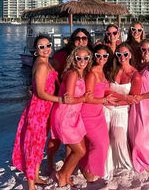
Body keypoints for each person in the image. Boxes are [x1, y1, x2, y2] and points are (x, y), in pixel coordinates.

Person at [12, 34, 64, 190]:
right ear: (36, 50)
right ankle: (30, 183)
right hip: (38, 109)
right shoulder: (41, 65)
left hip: (45, 110)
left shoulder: (46, 63)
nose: (46, 49)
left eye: (48, 45)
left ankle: (35, 175)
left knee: (39, 143)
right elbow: (41, 93)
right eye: (41, 47)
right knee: (33, 145)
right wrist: (60, 99)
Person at [47, 28, 93, 170]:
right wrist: (39, 86)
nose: (81, 41)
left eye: (84, 38)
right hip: (62, 100)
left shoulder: (87, 57)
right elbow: (48, 68)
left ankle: (68, 166)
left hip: (77, 104)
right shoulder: (63, 56)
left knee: (71, 140)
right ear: (72, 41)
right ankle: (50, 163)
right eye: (77, 38)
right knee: (57, 138)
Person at [104, 43, 142, 179]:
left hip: (122, 110)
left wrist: (118, 100)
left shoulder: (135, 75)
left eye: (125, 54)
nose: (122, 57)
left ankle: (123, 165)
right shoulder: (111, 70)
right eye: (119, 54)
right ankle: (107, 166)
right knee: (105, 138)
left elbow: (134, 99)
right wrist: (124, 97)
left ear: (130, 55)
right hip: (106, 107)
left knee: (118, 137)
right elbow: (105, 90)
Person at [79, 44, 116, 181]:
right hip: (88, 114)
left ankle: (87, 167)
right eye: (98, 55)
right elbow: (88, 97)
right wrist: (104, 100)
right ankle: (89, 171)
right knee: (100, 144)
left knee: (102, 143)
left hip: (98, 113)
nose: (102, 58)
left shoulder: (103, 71)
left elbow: (102, 91)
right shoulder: (92, 73)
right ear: (94, 56)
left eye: (105, 56)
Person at [128, 39, 149, 173]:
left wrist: (142, 97)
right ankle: (141, 159)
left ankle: (147, 164)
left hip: (148, 106)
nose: (146, 52)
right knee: (134, 134)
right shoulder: (137, 65)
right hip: (136, 106)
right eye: (144, 49)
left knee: (140, 138)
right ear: (140, 50)